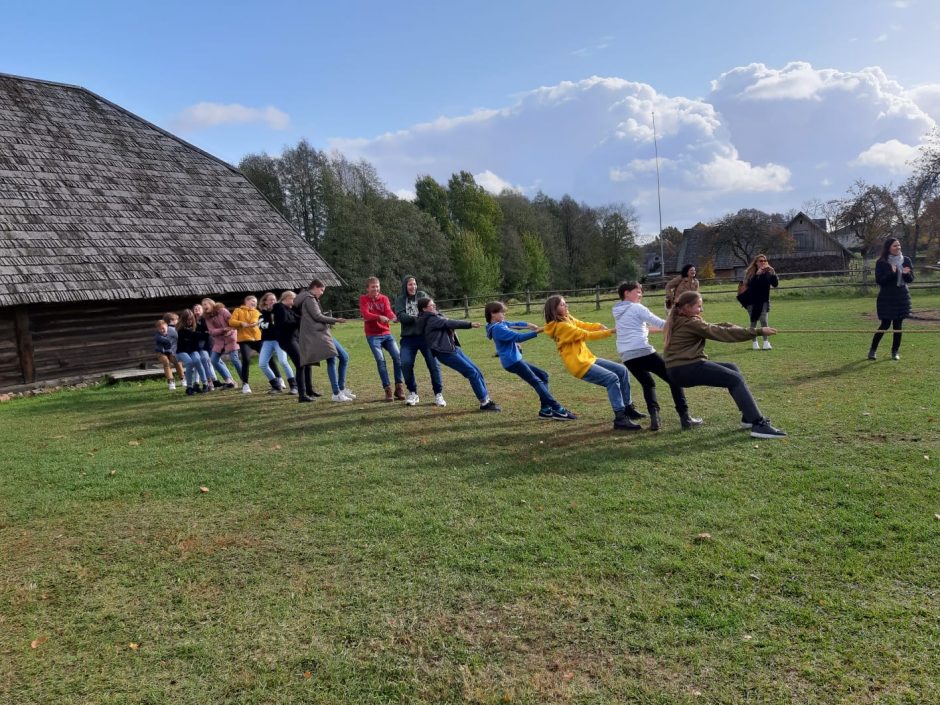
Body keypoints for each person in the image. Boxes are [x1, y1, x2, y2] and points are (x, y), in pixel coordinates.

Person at [663, 291, 786, 439]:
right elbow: (719, 333)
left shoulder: (679, 319)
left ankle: (748, 417)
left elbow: (710, 327)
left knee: (732, 368)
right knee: (735, 379)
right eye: (699, 306)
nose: (701, 310)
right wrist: (758, 331)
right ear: (687, 307)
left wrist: (727, 325)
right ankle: (758, 424)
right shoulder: (691, 322)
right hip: (686, 369)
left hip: (678, 370)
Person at [542, 295, 641, 431]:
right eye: (562, 305)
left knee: (621, 370)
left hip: (588, 358)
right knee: (612, 379)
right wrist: (610, 331)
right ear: (554, 309)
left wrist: (598, 326)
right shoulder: (561, 326)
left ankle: (628, 408)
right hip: (579, 364)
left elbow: (583, 325)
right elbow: (585, 334)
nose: (566, 306)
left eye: (565, 303)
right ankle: (620, 418)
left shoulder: (568, 319)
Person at [612, 281, 702, 431]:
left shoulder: (617, 310)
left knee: (648, 384)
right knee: (675, 379)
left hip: (626, 355)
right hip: (643, 351)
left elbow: (642, 328)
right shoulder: (637, 308)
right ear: (626, 293)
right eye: (638, 291)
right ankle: (685, 418)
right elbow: (662, 324)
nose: (641, 294)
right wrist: (679, 317)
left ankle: (655, 419)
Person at [484, 301, 576, 420]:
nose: (504, 314)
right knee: (536, 381)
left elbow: (515, 324)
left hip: (515, 360)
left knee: (543, 376)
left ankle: (545, 410)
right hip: (513, 362)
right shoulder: (497, 328)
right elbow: (518, 337)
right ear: (492, 314)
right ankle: (558, 409)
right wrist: (537, 331)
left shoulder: (501, 323)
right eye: (501, 312)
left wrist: (528, 324)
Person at [416, 298, 500, 411]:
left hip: (453, 348)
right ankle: (484, 403)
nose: (434, 306)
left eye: (434, 304)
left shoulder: (434, 316)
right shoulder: (430, 319)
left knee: (476, 371)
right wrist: (469, 324)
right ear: (424, 309)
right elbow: (449, 323)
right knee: (471, 372)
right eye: (431, 305)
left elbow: (447, 322)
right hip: (445, 352)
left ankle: (487, 400)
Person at [296, 279, 354, 403]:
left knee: (344, 357)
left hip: (323, 333)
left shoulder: (310, 298)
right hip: (319, 335)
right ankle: (336, 392)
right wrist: (336, 320)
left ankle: (340, 389)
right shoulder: (309, 299)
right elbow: (317, 316)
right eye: (321, 290)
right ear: (315, 287)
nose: (322, 293)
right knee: (334, 359)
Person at [395, 275, 445, 407]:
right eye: (410, 284)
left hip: (425, 337)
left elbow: (431, 309)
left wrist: (413, 317)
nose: (413, 287)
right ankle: (412, 393)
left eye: (415, 284)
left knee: (434, 365)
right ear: (405, 286)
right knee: (405, 364)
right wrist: (419, 317)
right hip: (408, 338)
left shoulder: (422, 295)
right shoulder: (400, 300)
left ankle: (438, 394)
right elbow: (401, 316)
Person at [868, 237, 914, 361]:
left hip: (901, 297)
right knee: (885, 324)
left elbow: (910, 279)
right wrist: (892, 273)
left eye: (899, 245)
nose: (898, 248)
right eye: (895, 246)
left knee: (898, 326)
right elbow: (880, 281)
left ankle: (895, 352)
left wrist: (906, 273)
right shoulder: (882, 262)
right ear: (888, 248)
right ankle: (873, 350)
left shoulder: (906, 260)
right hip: (887, 298)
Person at [360, 277, 405, 402]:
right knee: (380, 361)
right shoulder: (364, 299)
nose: (376, 289)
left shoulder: (384, 298)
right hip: (373, 336)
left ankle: (399, 387)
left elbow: (388, 311)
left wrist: (394, 317)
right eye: (373, 287)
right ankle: (387, 389)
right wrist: (379, 317)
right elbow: (366, 314)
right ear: (368, 288)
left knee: (398, 357)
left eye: (377, 286)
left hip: (386, 334)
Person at [229, 295, 282, 394]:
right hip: (244, 339)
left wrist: (254, 323)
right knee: (246, 359)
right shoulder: (238, 310)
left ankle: (279, 379)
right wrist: (241, 323)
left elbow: (259, 321)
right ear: (246, 301)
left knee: (269, 358)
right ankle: (245, 384)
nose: (254, 303)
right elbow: (231, 322)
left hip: (257, 339)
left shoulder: (257, 312)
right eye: (252, 301)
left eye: (256, 302)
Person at [273, 290, 316, 402]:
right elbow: (285, 322)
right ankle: (302, 395)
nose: (294, 302)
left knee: (307, 363)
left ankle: (309, 390)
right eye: (293, 299)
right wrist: (300, 320)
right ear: (286, 298)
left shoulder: (291, 309)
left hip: (296, 338)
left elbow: (298, 317)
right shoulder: (279, 307)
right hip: (287, 340)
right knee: (301, 364)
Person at [258, 292, 297, 395]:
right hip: (267, 341)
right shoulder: (262, 314)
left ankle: (293, 386)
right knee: (262, 364)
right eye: (270, 299)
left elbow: (282, 324)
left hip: (279, 340)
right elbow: (262, 326)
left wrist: (273, 324)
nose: (272, 301)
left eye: (274, 299)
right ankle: (276, 385)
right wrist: (273, 324)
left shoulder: (279, 311)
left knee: (283, 361)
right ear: (265, 302)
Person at [742, 254, 779, 350]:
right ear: (756, 263)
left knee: (764, 321)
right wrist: (757, 275)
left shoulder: (768, 273)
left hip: (763, 301)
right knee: (753, 321)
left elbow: (775, 284)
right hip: (751, 301)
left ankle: (766, 342)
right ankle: (754, 343)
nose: (763, 262)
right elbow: (748, 286)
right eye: (760, 261)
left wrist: (773, 272)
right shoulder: (750, 273)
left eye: (764, 260)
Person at [204, 300, 242, 388]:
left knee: (234, 359)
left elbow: (232, 322)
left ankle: (244, 381)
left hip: (231, 338)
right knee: (213, 360)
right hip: (219, 341)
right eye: (203, 305)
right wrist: (224, 329)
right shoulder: (207, 317)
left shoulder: (223, 311)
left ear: (211, 304)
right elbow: (212, 331)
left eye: (205, 304)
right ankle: (229, 381)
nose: (204, 306)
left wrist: (231, 330)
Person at [193, 302, 232, 389]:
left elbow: (211, 330)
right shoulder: (193, 321)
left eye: (199, 308)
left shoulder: (206, 318)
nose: (197, 310)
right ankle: (211, 381)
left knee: (218, 361)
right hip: (201, 345)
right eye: (195, 309)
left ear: (202, 310)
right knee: (205, 361)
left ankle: (229, 379)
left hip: (211, 342)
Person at [175, 308, 210, 395]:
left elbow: (202, 334)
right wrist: (202, 334)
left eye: (191, 319)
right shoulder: (180, 329)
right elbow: (193, 335)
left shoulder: (195, 327)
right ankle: (189, 387)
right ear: (184, 320)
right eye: (187, 320)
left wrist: (207, 332)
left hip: (193, 350)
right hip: (182, 351)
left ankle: (205, 384)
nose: (189, 321)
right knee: (190, 362)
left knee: (198, 360)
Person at [153, 319, 181, 391]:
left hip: (171, 352)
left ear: (167, 326)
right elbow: (166, 340)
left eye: (163, 328)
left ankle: (183, 378)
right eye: (160, 329)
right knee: (166, 362)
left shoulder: (171, 331)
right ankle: (171, 381)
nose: (162, 330)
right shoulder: (158, 336)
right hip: (161, 353)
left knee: (176, 361)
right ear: (157, 330)